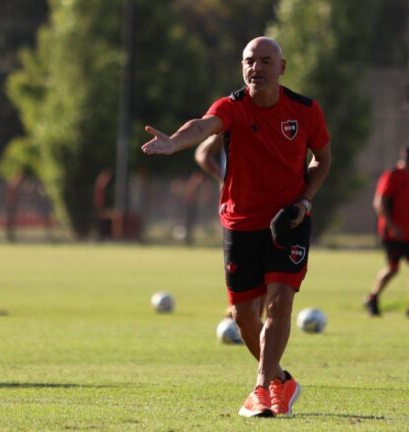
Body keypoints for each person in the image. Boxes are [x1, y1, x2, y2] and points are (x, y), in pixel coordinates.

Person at [141, 37, 331, 418]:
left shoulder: (306, 110)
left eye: (265, 61)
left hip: (287, 221)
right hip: (240, 224)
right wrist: (174, 143)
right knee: (244, 317)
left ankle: (261, 388)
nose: (256, 68)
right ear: (241, 66)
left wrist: (304, 202)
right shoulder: (233, 107)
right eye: (249, 61)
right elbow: (202, 126)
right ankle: (281, 379)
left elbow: (322, 160)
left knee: (279, 304)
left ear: (282, 67)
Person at [365, 146, 409, 317]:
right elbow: (380, 202)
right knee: (393, 268)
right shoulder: (393, 175)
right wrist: (391, 226)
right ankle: (373, 297)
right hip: (394, 233)